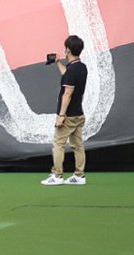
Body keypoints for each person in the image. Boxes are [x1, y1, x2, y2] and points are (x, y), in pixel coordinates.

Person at [42, 34, 88, 186]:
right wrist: (57, 63)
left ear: (68, 50)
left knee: (58, 144)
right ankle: (79, 176)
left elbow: (67, 94)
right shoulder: (81, 67)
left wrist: (61, 115)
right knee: (78, 146)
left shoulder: (73, 70)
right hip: (79, 115)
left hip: (68, 116)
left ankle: (57, 175)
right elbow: (67, 75)